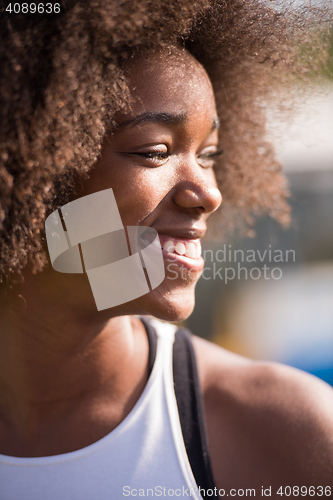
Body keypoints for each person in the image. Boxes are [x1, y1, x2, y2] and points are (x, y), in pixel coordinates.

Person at [0, 1, 332, 498]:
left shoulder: (283, 434)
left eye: (210, 155)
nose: (208, 194)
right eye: (155, 152)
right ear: (26, 169)